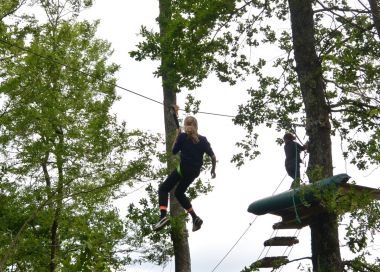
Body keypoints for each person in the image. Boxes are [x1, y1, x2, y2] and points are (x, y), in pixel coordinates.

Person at [153, 116, 216, 232]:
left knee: (163, 188)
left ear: (186, 125)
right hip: (194, 172)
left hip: (184, 169)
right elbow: (213, 156)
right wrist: (213, 170)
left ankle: (163, 216)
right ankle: (195, 218)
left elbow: (173, 151)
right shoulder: (203, 140)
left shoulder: (182, 137)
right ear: (196, 126)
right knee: (179, 193)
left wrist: (177, 136)